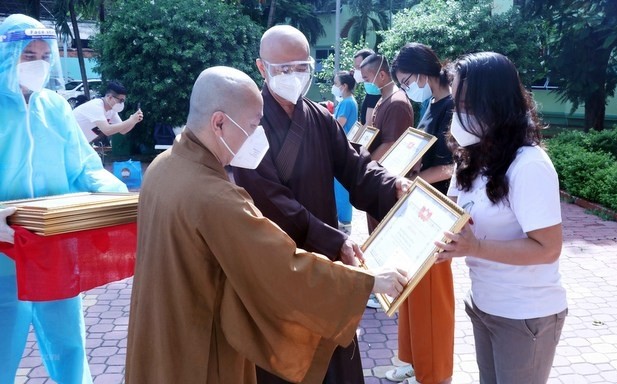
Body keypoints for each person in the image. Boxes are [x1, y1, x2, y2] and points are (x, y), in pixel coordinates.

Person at [125, 66, 408, 383]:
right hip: (199, 344)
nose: (257, 135)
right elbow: (284, 268)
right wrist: (366, 282)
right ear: (219, 122)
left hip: (161, 328)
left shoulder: (162, 168)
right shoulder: (215, 198)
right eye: (251, 125)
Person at [232, 25, 411, 384]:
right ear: (261, 67)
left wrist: (394, 186)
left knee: (333, 357)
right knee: (284, 363)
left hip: (327, 264)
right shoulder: (248, 124)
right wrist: (336, 241)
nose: (292, 76)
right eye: (282, 69)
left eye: (301, 67)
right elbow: (271, 201)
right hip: (279, 265)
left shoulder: (319, 117)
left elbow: (355, 166)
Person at [0, 14, 128, 384]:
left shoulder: (54, 108)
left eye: (44, 55)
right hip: (3, 255)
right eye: (28, 56)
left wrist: (115, 198)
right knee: (3, 346)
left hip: (53, 249)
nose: (38, 64)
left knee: (69, 343)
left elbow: (83, 166)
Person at [436, 52, 568, 383]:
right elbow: (449, 214)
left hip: (525, 314)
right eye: (456, 105)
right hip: (483, 304)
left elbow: (547, 248)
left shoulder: (529, 165)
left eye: (466, 105)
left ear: (493, 104)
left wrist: (475, 247)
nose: (458, 115)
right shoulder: (470, 158)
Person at [385, 43, 456, 384]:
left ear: (425, 72)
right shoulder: (431, 104)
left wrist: (413, 178)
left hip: (439, 211)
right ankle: (411, 359)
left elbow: (454, 165)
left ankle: (434, 372)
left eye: (406, 80)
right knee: (410, 290)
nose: (405, 88)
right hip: (420, 205)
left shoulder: (455, 107)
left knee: (432, 297)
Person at [360, 53, 414, 235]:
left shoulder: (397, 102)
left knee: (383, 234)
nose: (366, 84)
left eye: (367, 79)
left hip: (389, 180)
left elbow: (390, 144)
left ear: (381, 75)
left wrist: (364, 167)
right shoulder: (383, 99)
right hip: (379, 176)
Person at [72, 80, 143, 146]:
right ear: (110, 97)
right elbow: (107, 130)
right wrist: (131, 120)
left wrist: (134, 121)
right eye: (120, 100)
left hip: (79, 143)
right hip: (68, 140)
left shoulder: (112, 111)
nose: (122, 103)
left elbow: (123, 130)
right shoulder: (96, 106)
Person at [331, 70, 358, 234]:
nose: (334, 87)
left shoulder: (347, 102)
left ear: (344, 86)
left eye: (336, 84)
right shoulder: (348, 101)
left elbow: (338, 124)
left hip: (342, 148)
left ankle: (344, 222)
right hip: (342, 147)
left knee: (341, 187)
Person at [353, 48, 381, 125]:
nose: (356, 71)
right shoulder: (370, 89)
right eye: (355, 67)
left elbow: (368, 124)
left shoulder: (374, 90)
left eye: (359, 67)